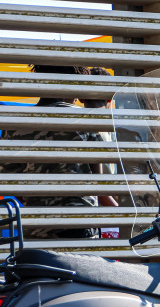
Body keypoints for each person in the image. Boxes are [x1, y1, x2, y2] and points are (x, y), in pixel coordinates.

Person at [0, 65, 109, 239]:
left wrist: (37, 200)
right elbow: (99, 179)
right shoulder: (87, 119)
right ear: (73, 85)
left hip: (36, 225)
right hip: (79, 223)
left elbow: (8, 178)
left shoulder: (15, 124)